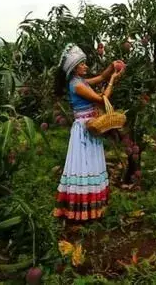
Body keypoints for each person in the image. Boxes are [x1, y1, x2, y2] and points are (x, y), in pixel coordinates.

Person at [52, 43, 124, 221]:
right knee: (85, 164)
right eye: (82, 64)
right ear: (75, 68)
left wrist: (112, 67)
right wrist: (113, 80)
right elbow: (102, 99)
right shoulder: (77, 85)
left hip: (91, 126)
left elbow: (100, 77)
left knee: (88, 163)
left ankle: (89, 204)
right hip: (85, 128)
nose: (86, 66)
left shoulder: (80, 81)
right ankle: (82, 208)